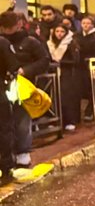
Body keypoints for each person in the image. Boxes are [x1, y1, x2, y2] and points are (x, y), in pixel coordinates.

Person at [2, 11, 51, 167]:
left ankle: (23, 152)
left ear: (19, 25)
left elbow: (44, 60)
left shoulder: (30, 41)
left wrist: (26, 70)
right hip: (4, 86)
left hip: (23, 86)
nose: (7, 30)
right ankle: (7, 153)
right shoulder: (2, 41)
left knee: (22, 119)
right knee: (5, 122)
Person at [46, 24, 83, 131]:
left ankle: (69, 120)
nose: (59, 34)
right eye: (57, 31)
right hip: (54, 73)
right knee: (54, 97)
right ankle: (56, 120)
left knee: (67, 98)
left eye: (62, 31)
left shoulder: (70, 43)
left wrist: (61, 63)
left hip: (68, 74)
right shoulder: (50, 43)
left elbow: (76, 60)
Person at [0, 28, 17, 185]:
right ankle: (6, 168)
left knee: (4, 131)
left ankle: (6, 169)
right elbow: (13, 66)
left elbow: (13, 66)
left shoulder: (2, 42)